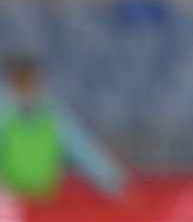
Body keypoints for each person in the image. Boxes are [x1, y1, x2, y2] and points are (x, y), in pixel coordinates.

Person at [0, 54, 127, 201]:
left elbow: (83, 149)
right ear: (12, 79)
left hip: (45, 198)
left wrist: (113, 181)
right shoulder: (3, 111)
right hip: (7, 199)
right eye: (21, 78)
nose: (26, 84)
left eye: (30, 79)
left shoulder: (51, 112)